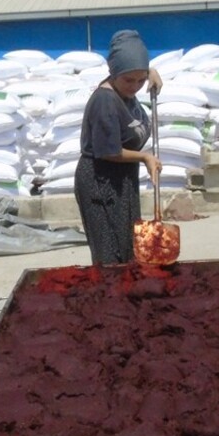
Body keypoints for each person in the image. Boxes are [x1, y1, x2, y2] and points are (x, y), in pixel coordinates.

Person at [74, 30, 163, 265]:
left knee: (129, 247)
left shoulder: (126, 87)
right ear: (113, 72)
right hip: (101, 181)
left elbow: (136, 70)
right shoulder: (105, 101)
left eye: (140, 80)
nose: (135, 86)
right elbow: (108, 151)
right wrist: (144, 157)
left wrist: (150, 73)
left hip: (122, 179)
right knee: (110, 255)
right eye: (129, 80)